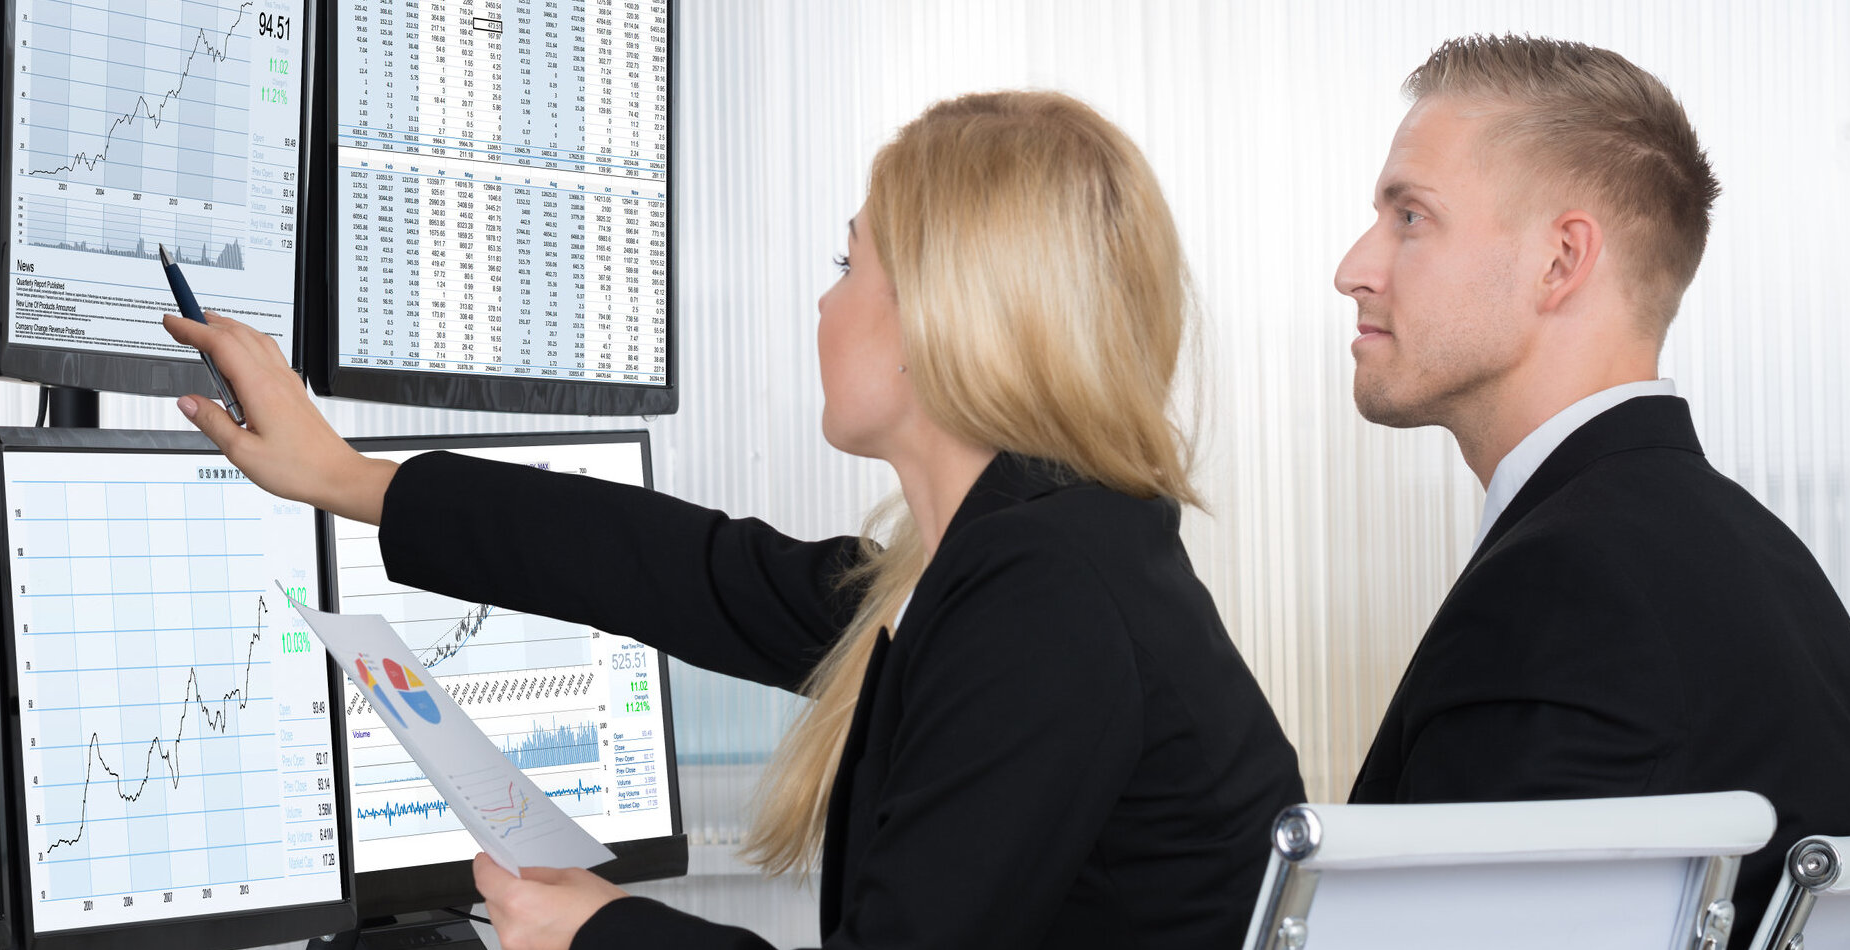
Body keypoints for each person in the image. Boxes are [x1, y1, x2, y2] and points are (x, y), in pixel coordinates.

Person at [163, 91, 1303, 949]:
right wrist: (350, 476)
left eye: (850, 262)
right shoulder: (1020, 551)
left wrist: (595, 929)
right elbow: (683, 567)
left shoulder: (1045, 597)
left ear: (949, 316)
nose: (823, 299)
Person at [1335, 34, 1850, 944]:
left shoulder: (1563, 592)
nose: (1355, 266)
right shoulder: (1766, 560)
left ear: (1560, 260)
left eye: (1411, 217)